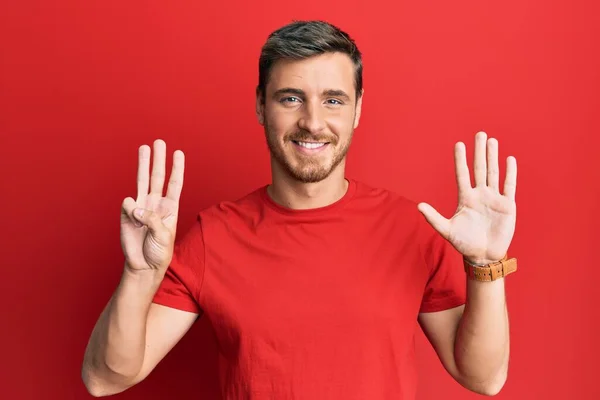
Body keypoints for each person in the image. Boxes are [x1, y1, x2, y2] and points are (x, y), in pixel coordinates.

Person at [81, 20, 518, 399]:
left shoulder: (411, 229)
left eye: (333, 100)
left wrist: (485, 266)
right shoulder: (213, 235)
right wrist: (139, 276)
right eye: (291, 98)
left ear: (358, 109)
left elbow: (482, 378)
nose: (312, 121)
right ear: (260, 105)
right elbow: (105, 379)